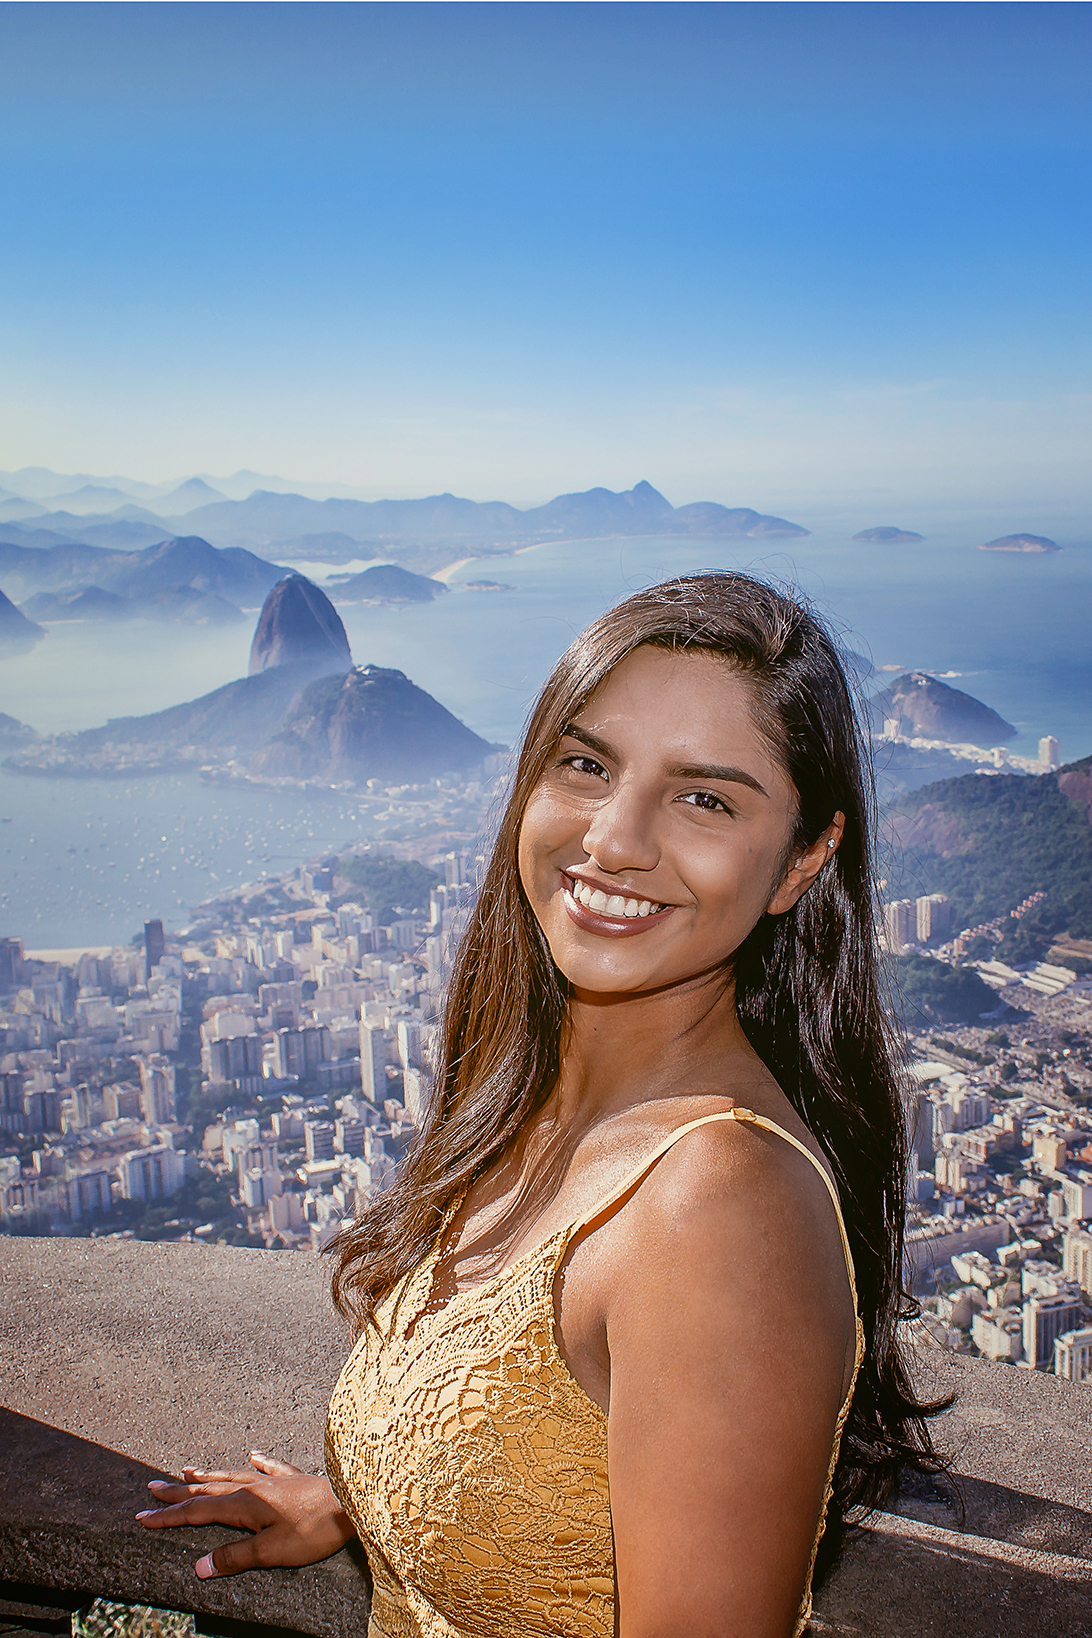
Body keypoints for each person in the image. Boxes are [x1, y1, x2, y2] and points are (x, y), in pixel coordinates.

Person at [138, 573, 945, 1638]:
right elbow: (545, 1422)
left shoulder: (716, 1210)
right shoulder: (535, 1100)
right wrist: (367, 1494)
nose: (614, 839)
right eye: (586, 764)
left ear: (803, 860)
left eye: (705, 797)